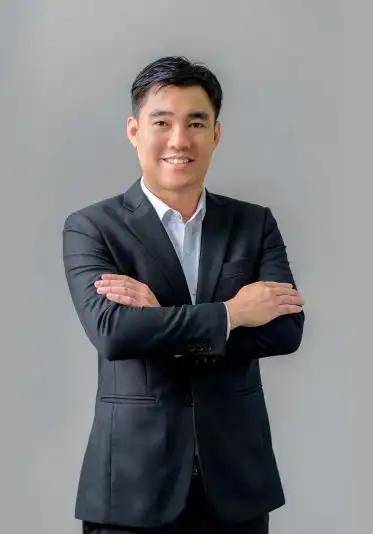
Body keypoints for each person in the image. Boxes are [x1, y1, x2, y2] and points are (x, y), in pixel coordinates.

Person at [61, 56, 305, 534]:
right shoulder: (92, 227)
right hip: (131, 487)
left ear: (216, 134)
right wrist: (233, 313)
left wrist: (160, 322)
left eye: (195, 123)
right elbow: (114, 334)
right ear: (134, 131)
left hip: (236, 484)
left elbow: (285, 331)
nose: (179, 140)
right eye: (162, 123)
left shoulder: (253, 224)